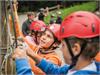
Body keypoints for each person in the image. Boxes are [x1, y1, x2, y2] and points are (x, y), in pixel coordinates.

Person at [27, 11, 100, 75]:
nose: (61, 49)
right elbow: (56, 71)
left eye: (63, 45)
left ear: (75, 49)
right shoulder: (74, 67)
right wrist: (34, 56)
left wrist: (22, 62)